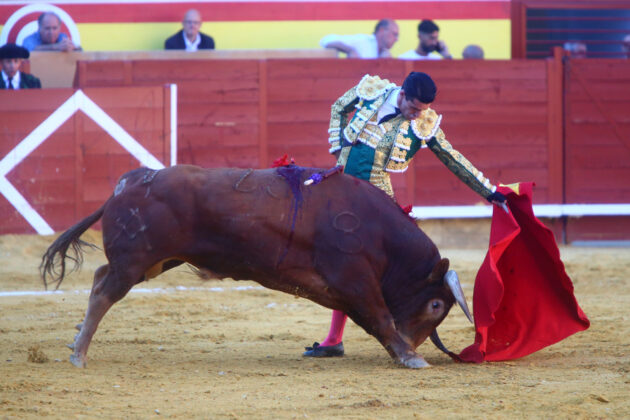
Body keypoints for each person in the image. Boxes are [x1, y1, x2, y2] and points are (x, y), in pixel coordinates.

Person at [303, 72, 506, 357]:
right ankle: (336, 339)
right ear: (403, 95)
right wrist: (338, 146)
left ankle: (400, 325)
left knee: (373, 263)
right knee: (340, 258)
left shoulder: (425, 123)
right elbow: (339, 106)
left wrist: (489, 192)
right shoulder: (372, 91)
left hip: (377, 200)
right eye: (413, 108)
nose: (416, 115)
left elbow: (452, 157)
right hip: (342, 189)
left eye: (422, 110)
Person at [319, 19, 399, 58]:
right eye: (394, 34)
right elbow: (326, 40)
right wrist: (350, 50)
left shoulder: (386, 54)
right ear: (382, 30)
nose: (396, 39)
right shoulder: (362, 41)